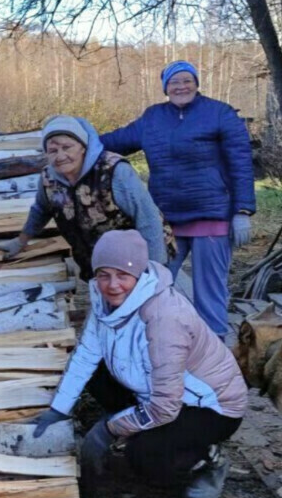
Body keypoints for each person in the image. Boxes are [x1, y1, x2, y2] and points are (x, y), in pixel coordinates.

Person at [32, 229, 248, 498]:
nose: (112, 285)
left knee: (146, 458)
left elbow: (165, 406)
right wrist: (57, 409)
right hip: (156, 389)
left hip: (209, 407)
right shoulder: (103, 301)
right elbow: (86, 353)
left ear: (140, 274)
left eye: (123, 275)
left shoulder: (165, 319)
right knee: (95, 373)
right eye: (104, 275)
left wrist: (107, 430)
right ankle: (139, 426)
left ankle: (207, 460)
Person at [100, 61, 256, 339]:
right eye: (174, 82)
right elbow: (116, 140)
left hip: (211, 215)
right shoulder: (153, 118)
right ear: (165, 87)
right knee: (153, 283)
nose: (181, 86)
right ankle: (152, 341)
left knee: (209, 290)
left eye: (187, 80)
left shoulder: (220, 113)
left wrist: (242, 210)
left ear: (196, 83)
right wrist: (77, 139)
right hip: (167, 218)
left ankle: (214, 347)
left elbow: (241, 162)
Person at [0, 115, 172, 281]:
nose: (60, 156)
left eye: (67, 147)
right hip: (97, 265)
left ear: (83, 146)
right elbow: (41, 210)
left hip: (137, 261)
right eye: (53, 150)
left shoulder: (113, 171)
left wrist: (155, 270)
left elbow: (148, 219)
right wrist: (21, 241)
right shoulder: (49, 179)